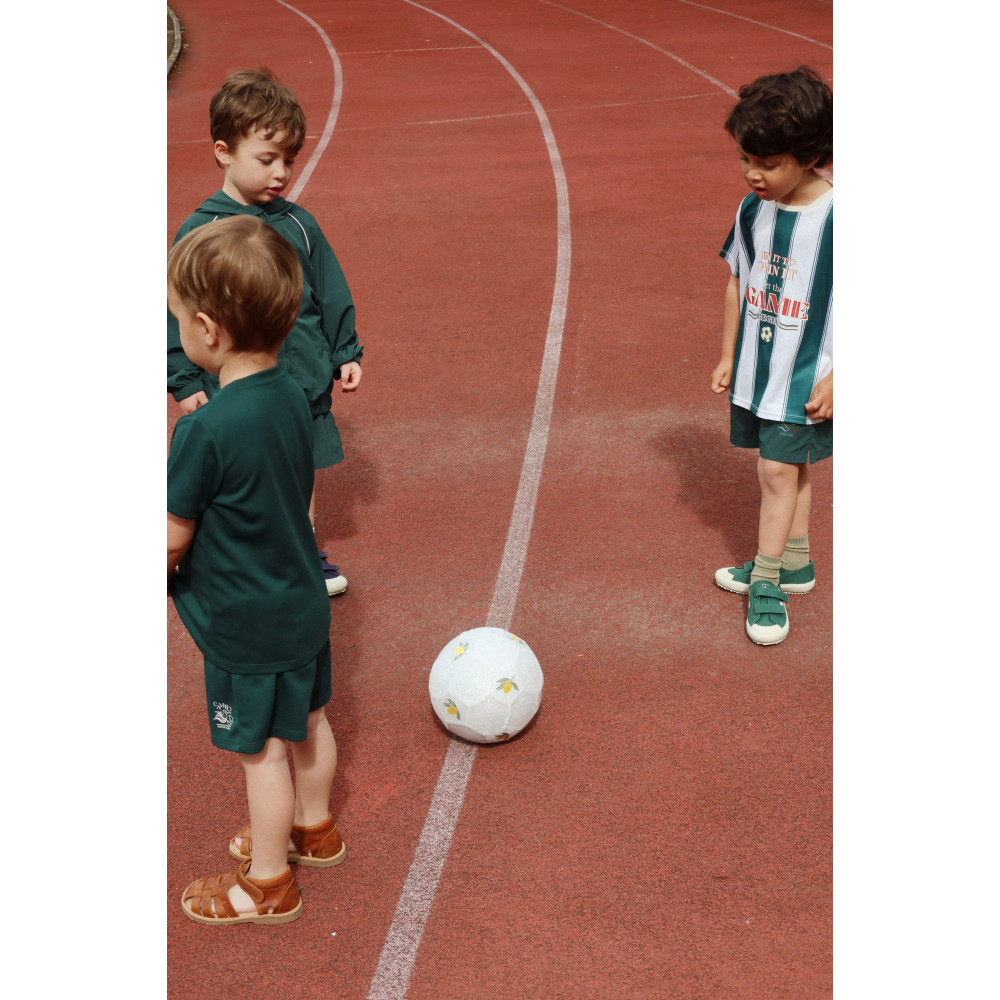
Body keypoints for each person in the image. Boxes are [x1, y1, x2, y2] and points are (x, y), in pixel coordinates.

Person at [168, 216, 346, 926]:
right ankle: (314, 828)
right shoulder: (293, 396)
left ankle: (267, 883)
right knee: (309, 722)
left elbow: (171, 537)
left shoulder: (203, 429)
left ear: (207, 330)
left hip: (246, 623)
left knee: (261, 753)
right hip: (300, 602)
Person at [167, 67, 362, 596]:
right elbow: (176, 310)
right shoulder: (203, 232)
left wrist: (344, 350)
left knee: (300, 470)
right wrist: (184, 380)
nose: (281, 173)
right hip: (235, 389)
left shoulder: (299, 224)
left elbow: (329, 288)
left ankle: (303, 555)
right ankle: (240, 560)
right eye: (267, 159)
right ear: (223, 152)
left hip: (303, 381)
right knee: (242, 476)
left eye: (289, 161)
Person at [709, 66, 833, 646]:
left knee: (775, 470)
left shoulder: (840, 218)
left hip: (806, 376)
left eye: (768, 162)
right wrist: (727, 353)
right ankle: (795, 563)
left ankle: (766, 581)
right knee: (792, 466)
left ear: (809, 157)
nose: (752, 173)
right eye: (744, 159)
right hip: (759, 371)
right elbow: (738, 278)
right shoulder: (752, 209)